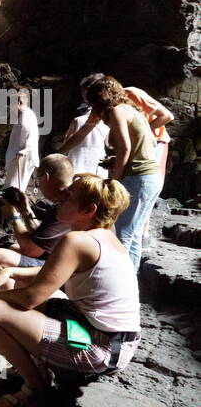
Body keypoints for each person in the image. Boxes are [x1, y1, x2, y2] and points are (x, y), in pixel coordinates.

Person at [0, 174, 141, 407]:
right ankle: (38, 367)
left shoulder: (77, 240)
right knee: (21, 290)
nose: (58, 202)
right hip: (118, 343)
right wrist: (11, 271)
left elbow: (31, 298)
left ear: (88, 210)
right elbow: (52, 272)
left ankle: (36, 392)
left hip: (101, 348)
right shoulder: (104, 235)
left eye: (68, 197)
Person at [80, 77, 161, 270]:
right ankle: (131, 282)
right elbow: (146, 143)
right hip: (151, 177)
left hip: (138, 177)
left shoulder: (117, 112)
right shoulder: (133, 110)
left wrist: (113, 182)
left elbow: (124, 148)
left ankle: (119, 282)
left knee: (123, 232)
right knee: (133, 233)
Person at [0, 154, 74, 282]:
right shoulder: (68, 198)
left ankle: (8, 299)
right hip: (65, 260)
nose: (38, 184)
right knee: (12, 248)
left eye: (38, 179)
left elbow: (31, 250)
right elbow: (42, 238)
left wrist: (14, 217)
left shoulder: (65, 207)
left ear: (46, 177)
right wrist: (25, 209)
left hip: (68, 271)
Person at [2, 86, 40, 194]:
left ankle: (13, 209)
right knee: (16, 186)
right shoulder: (25, 114)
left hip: (22, 155)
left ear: (18, 103)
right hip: (19, 154)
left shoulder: (26, 115)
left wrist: (25, 149)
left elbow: (31, 133)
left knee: (12, 187)